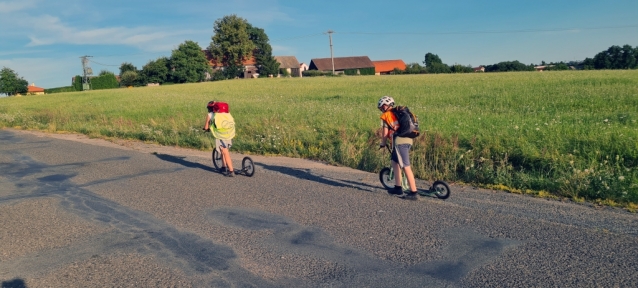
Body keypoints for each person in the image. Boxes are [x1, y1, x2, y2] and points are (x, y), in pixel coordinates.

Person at [378, 96, 418, 200]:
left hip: (400, 141)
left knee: (405, 166)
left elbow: (385, 133)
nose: (382, 109)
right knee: (394, 162)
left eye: (382, 107)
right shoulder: (398, 113)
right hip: (408, 140)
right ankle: (398, 187)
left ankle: (413, 192)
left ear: (386, 106)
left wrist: (383, 143)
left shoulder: (386, 116)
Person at [204, 100, 236, 177]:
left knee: (225, 151)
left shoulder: (210, 115)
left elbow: (206, 127)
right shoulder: (226, 114)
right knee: (222, 149)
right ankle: (223, 166)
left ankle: (231, 171)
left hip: (220, 135)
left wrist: (206, 129)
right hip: (229, 133)